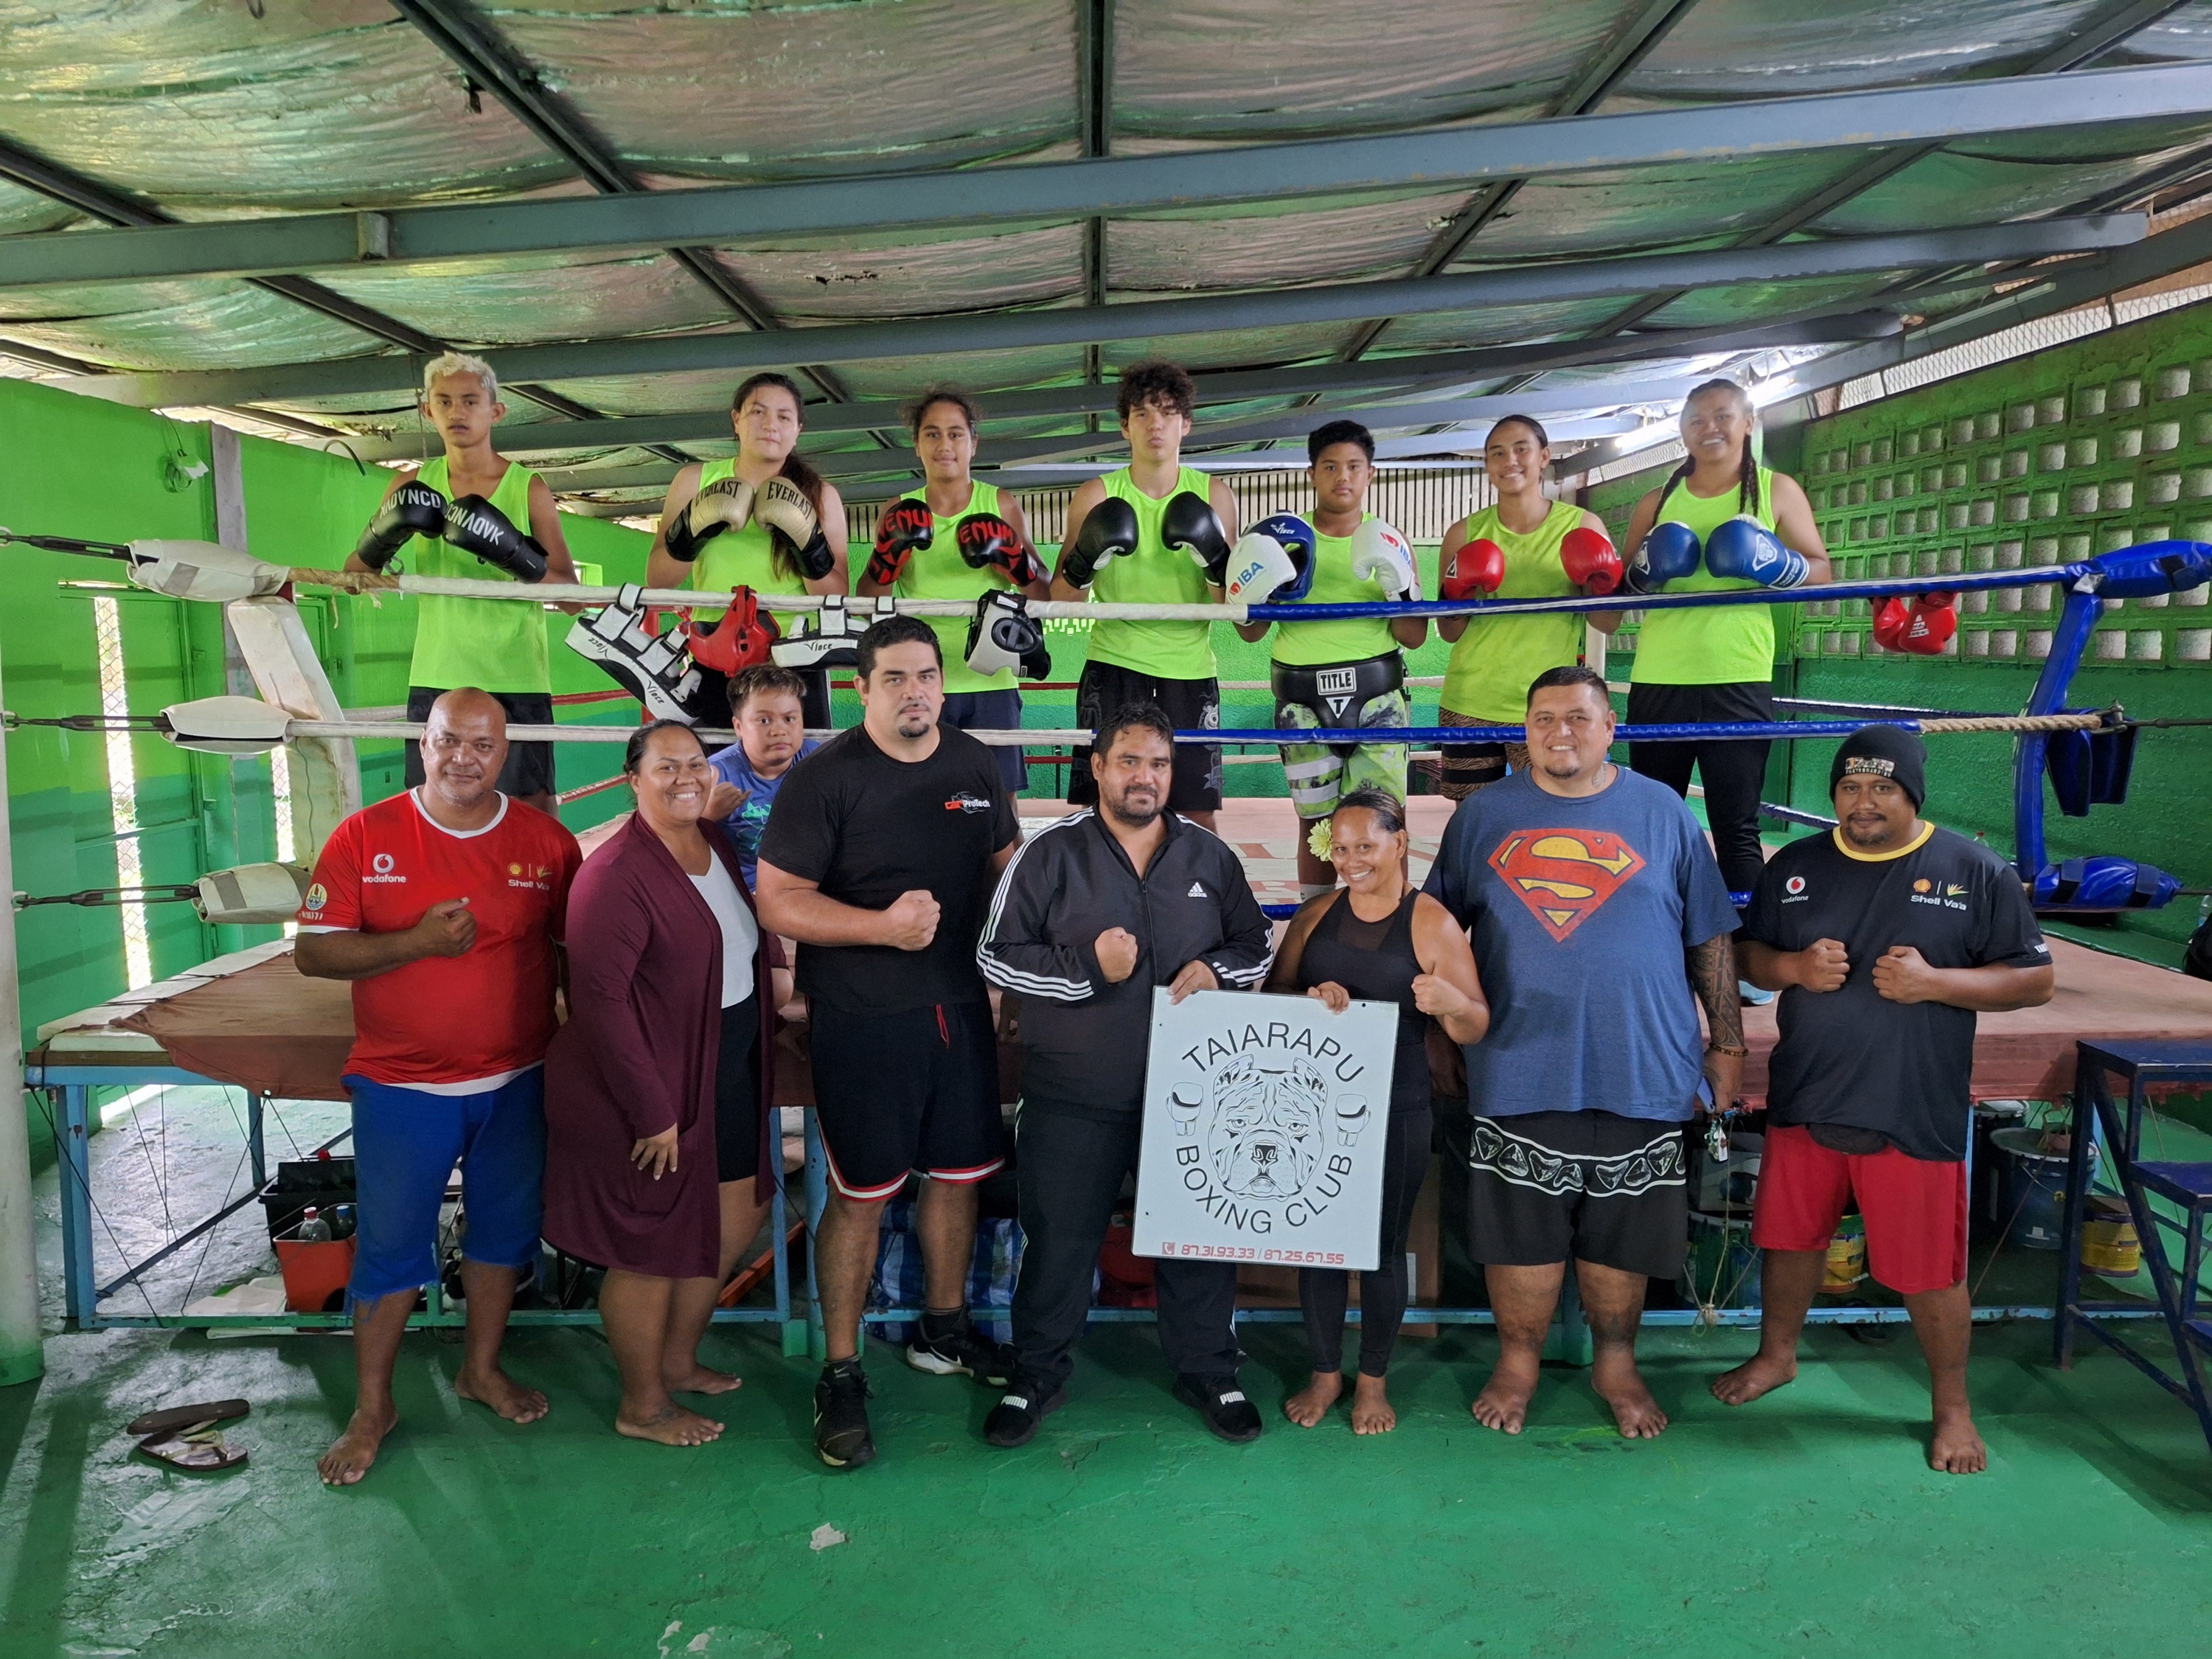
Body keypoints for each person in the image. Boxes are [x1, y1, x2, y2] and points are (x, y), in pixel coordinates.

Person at [1713, 727, 2054, 1473]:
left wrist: (1940, 983)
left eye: (1882, 788)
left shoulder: (1973, 869)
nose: (1863, 803)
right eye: (1849, 788)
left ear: (1911, 795)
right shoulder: (1797, 866)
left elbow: (2033, 979)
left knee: (1931, 1271)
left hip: (1914, 1103)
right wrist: (1795, 967)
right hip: (1809, 1093)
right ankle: (1777, 1356)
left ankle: (1952, 1407)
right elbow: (1747, 956)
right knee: (1789, 1240)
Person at [1423, 666, 1743, 1439]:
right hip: (1517, 1063)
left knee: (1622, 1245)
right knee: (1519, 1240)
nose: (1558, 732)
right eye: (1541, 720)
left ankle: (1616, 1364)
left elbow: (1708, 935)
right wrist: (1445, 1027)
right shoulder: (1483, 816)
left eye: (1576, 718)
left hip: (1643, 1066)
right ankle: (1516, 1365)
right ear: (1522, 730)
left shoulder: (1663, 811)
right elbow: (1435, 926)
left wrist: (1728, 1042)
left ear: (1611, 728)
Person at [294, 689, 582, 1485]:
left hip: (516, 1079)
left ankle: (480, 1370)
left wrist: (584, 1036)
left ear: (505, 753)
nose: (466, 758)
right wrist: (414, 943)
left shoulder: (547, 843)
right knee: (390, 1250)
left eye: (483, 746)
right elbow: (314, 954)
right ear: (424, 742)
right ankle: (373, 1405)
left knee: (502, 1236)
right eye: (450, 741)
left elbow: (568, 953)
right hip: (400, 1087)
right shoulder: (366, 835)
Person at [754, 615, 1022, 1469]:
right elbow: (780, 900)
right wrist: (880, 928)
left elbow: (1004, 872)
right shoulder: (824, 779)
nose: (916, 692)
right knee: (862, 1194)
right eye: (897, 678)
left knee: (957, 1176)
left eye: (927, 677)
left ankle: (942, 1331)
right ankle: (840, 1370)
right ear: (862, 688)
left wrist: (1019, 969)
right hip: (864, 1015)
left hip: (959, 1010)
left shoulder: (977, 764)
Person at [975, 701, 1275, 1447]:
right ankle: (1036, 1374)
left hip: (1194, 1095)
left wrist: (1219, 969)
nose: (1146, 777)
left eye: (1160, 765)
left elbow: (1256, 943)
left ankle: (1211, 1368)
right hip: (1076, 1089)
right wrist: (1086, 968)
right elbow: (995, 954)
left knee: (1198, 1237)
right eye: (1131, 762)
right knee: (1061, 1237)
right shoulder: (1050, 854)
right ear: (1099, 769)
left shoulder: (1209, 856)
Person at [540, 720, 776, 1447]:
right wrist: (652, 1111)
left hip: (726, 1058)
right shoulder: (613, 875)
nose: (686, 777)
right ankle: (641, 1405)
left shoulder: (707, 843)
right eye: (666, 767)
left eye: (695, 764)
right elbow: (601, 1003)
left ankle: (676, 1358)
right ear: (631, 780)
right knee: (649, 1245)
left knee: (737, 1212)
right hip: (652, 1082)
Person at [1267, 788, 1488, 1433]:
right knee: (1317, 1244)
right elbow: (1273, 998)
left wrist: (1448, 1001)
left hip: (1396, 1105)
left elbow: (1476, 1026)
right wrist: (1312, 995)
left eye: (1366, 845)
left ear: (1400, 844)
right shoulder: (1317, 917)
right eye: (1340, 848)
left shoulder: (1430, 923)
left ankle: (1372, 1381)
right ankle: (1324, 1373)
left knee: (1379, 1249)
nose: (1351, 860)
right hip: (1315, 1110)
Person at [1596, 379, 1832, 902]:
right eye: (1697, 420)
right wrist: (1645, 571)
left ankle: (1745, 967)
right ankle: (1655, 942)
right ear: (1681, 431)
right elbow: (1619, 595)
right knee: (1653, 822)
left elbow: (1821, 571)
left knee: (1736, 828)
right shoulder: (1657, 502)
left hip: (1738, 677)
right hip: (1660, 679)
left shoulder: (1776, 491)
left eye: (1723, 416)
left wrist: (1777, 562)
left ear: (1748, 422)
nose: (1710, 429)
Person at [344, 352, 580, 818]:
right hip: (437, 673)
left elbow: (572, 596)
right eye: (445, 401)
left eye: (470, 401)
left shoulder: (527, 487)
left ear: (495, 411)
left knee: (530, 812)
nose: (457, 411)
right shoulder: (409, 484)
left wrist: (513, 553)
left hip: (515, 675)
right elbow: (354, 577)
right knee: (434, 809)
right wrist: (388, 532)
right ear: (427, 411)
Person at [1231, 420, 1427, 898]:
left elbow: (1414, 635)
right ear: (1312, 474)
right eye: (1331, 466)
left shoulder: (1390, 540)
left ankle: (1390, 931)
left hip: (1378, 696)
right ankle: (1312, 929)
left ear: (1371, 474)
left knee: (1383, 817)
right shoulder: (1282, 540)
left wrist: (1398, 587)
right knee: (1314, 823)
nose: (1343, 477)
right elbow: (1249, 632)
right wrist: (1262, 592)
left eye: (1354, 467)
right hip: (1302, 702)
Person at [1051, 361, 1240, 832]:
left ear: (1186, 424)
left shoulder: (1215, 496)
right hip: (1113, 665)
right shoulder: (1096, 495)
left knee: (1196, 812)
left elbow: (1237, 612)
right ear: (1124, 426)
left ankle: (1198, 905)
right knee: (1106, 808)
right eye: (1142, 413)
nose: (1156, 424)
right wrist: (1085, 560)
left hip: (1190, 670)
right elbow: (1059, 600)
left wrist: (1215, 559)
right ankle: (1102, 906)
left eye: (1168, 412)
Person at [858, 386, 1048, 796]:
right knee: (921, 795)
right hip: (919, 681)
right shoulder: (897, 508)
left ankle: (1004, 865)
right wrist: (888, 554)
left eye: (955, 434)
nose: (945, 445)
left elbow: (1045, 592)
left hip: (990, 678)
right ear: (916, 444)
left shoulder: (1000, 503)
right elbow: (867, 596)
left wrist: (1012, 556)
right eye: (932, 434)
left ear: (973, 443)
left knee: (998, 799)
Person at [645, 372, 851, 729]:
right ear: (736, 419)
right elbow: (658, 579)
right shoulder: (695, 481)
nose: (771, 424)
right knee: (717, 777)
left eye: (784, 416)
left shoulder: (820, 495)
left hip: (794, 660)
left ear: (798, 429)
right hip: (714, 658)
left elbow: (837, 593)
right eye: (758, 412)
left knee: (801, 780)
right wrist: (692, 529)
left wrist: (808, 545)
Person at [1435, 415, 1620, 801]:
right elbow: (1448, 631)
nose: (1510, 461)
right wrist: (1460, 593)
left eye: (1522, 449)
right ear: (1487, 466)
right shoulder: (1463, 533)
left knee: (1555, 810)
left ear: (1544, 458)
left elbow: (1608, 622)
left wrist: (1595, 582)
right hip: (1473, 699)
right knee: (1473, 818)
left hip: (1553, 705)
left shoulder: (1582, 526)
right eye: (1497, 453)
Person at [703, 663, 822, 890]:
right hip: (743, 891)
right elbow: (673, 841)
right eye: (764, 720)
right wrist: (706, 816)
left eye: (789, 719)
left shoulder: (817, 761)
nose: (779, 731)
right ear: (738, 726)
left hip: (808, 884)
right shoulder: (716, 774)